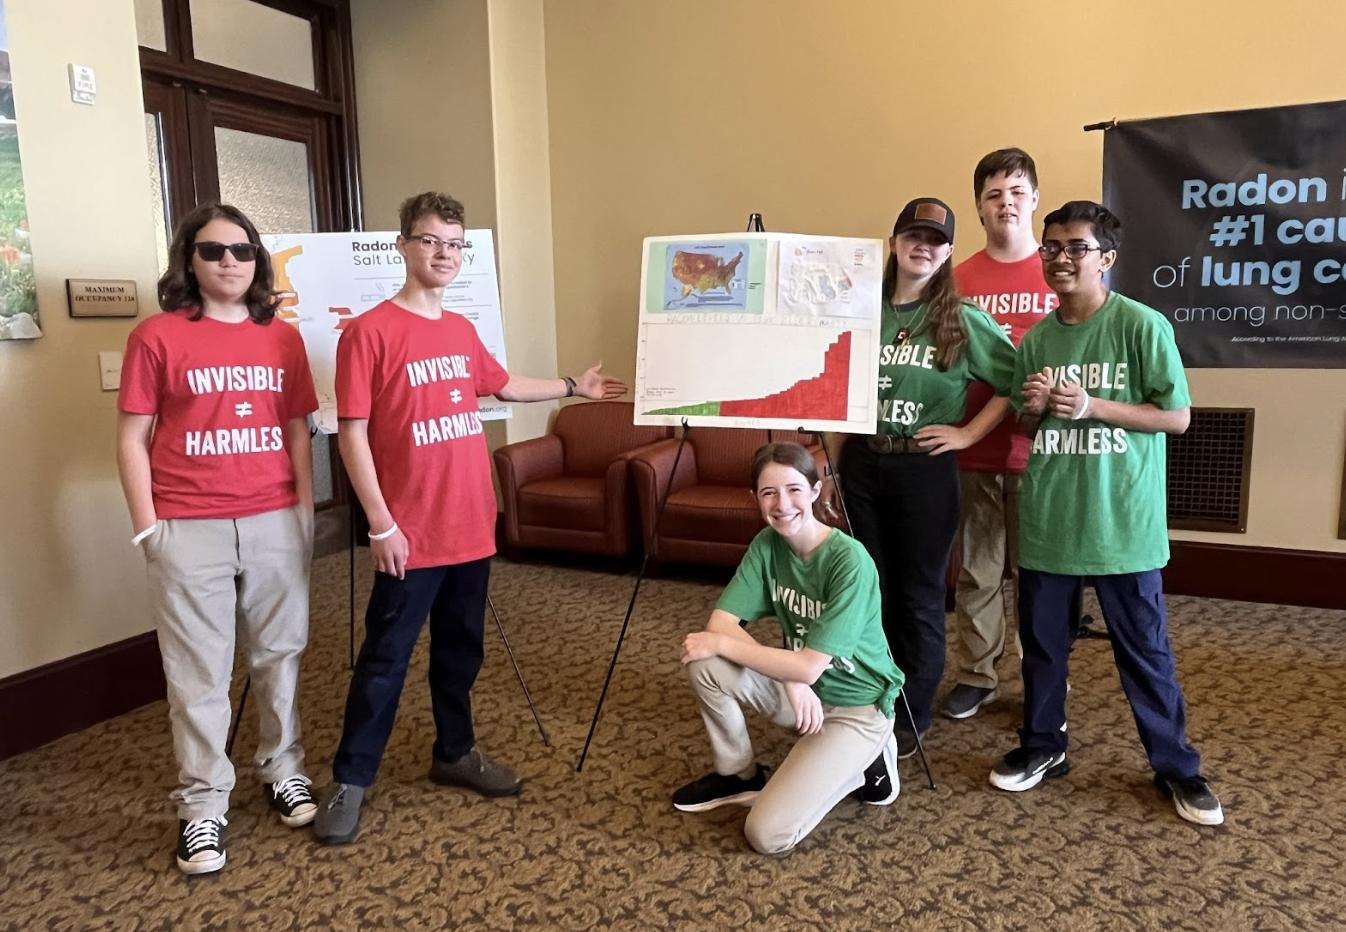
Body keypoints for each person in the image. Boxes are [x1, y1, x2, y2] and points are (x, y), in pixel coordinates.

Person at [313, 192, 626, 845]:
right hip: (409, 532)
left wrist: (573, 387)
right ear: (403, 246)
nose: (444, 254)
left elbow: (503, 385)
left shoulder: (458, 331)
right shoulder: (368, 332)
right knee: (385, 660)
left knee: (461, 653)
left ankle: (453, 753)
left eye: (454, 244)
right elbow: (352, 435)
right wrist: (380, 523)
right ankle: (351, 779)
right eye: (430, 241)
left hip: (469, 526)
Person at [988, 200, 1224, 826]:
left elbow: (1176, 418)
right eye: (1051, 247)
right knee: (1041, 648)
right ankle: (1043, 747)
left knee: (1143, 652)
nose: (1060, 258)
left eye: (1075, 248)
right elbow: (1024, 416)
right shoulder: (1037, 337)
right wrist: (1035, 404)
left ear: (1107, 259)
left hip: (1122, 525)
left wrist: (1093, 405)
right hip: (1048, 521)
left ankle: (1176, 767)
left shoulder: (1142, 326)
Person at [117, 203, 320, 875]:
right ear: (189, 261)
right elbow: (131, 440)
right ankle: (202, 806)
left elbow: (296, 430)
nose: (230, 261)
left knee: (279, 655)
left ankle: (281, 767)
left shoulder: (282, 339)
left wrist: (302, 512)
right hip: (188, 527)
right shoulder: (157, 336)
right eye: (213, 251)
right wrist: (149, 527)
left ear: (258, 260)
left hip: (273, 520)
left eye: (242, 250)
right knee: (198, 673)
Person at [827, 197, 1016, 757]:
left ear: (949, 252)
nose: (923, 246)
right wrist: (832, 469)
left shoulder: (960, 319)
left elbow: (1013, 381)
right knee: (868, 589)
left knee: (919, 595)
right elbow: (838, 397)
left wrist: (966, 434)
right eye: (913, 235)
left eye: (935, 240)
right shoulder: (860, 313)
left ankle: (911, 713)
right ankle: (870, 696)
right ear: (894, 242)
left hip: (924, 470)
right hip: (863, 463)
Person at [673, 442, 904, 855]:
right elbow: (720, 623)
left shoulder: (849, 561)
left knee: (767, 834)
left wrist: (796, 672)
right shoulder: (767, 545)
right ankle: (739, 774)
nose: (782, 504)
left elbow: (806, 664)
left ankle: (869, 760)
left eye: (795, 489)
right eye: (769, 493)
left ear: (816, 491)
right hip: (804, 689)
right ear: (755, 499)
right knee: (705, 661)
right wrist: (793, 677)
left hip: (856, 708)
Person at [942, 148, 1059, 720]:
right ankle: (976, 674)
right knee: (978, 571)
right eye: (993, 195)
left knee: (1041, 578)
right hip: (975, 450)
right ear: (979, 208)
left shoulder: (1059, 271)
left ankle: (1042, 682)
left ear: (1034, 199)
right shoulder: (957, 278)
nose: (1005, 203)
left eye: (1016, 192)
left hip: (1047, 454)